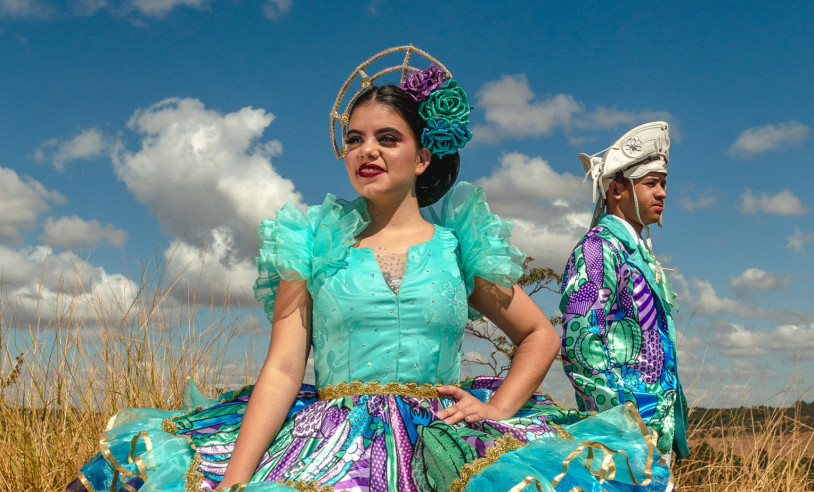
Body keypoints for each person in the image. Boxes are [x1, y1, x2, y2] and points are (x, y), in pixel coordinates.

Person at [68, 47, 672, 492]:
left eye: (387, 137)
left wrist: (497, 409)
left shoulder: (458, 242)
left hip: (441, 437)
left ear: (423, 153)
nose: (369, 152)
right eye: (356, 140)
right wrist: (236, 479)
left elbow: (540, 334)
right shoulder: (310, 243)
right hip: (332, 438)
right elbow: (282, 367)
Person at [559, 121, 691, 461]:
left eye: (663, 183)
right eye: (651, 183)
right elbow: (580, 344)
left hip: (652, 431)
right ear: (616, 189)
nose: (662, 192)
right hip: (623, 438)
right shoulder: (597, 250)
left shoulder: (634, 253)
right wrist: (622, 424)